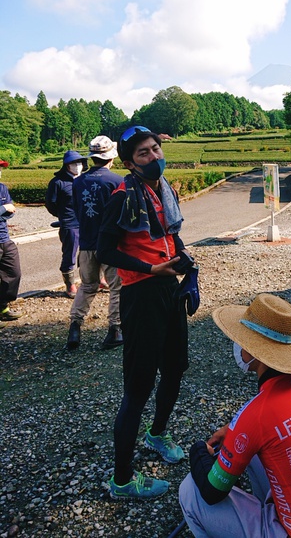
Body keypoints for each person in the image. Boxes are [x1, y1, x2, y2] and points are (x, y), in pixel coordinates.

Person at [179, 293, 291, 538]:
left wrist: (198, 451)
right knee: (260, 449)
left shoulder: (256, 413)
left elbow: (211, 491)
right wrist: (234, 432)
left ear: (252, 353)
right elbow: (280, 425)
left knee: (190, 490)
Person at [97, 125, 193, 500]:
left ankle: (157, 433)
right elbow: (104, 250)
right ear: (129, 162)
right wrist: (150, 268)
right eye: (144, 153)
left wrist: (190, 271)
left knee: (175, 367)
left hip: (169, 288)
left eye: (155, 149)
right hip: (142, 294)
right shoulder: (122, 196)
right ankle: (122, 481)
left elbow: (171, 237)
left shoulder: (162, 190)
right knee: (138, 386)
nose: (154, 157)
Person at [67, 136, 124, 351]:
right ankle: (114, 330)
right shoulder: (117, 181)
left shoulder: (78, 182)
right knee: (117, 287)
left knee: (88, 286)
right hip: (111, 244)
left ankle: (75, 326)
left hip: (87, 243)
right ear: (110, 157)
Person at [45, 150, 87, 298]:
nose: (77, 166)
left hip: (87, 222)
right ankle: (70, 284)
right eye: (73, 163)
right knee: (70, 253)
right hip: (69, 223)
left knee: (89, 252)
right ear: (66, 166)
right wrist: (62, 216)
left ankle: (92, 279)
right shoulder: (58, 182)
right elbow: (51, 204)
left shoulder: (85, 179)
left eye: (79, 163)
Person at [0, 160, 22, 321]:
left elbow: (11, 209)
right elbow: (6, 208)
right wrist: (3, 208)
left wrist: (6, 209)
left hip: (4, 238)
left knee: (13, 273)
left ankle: (2, 306)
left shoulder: (2, 188)